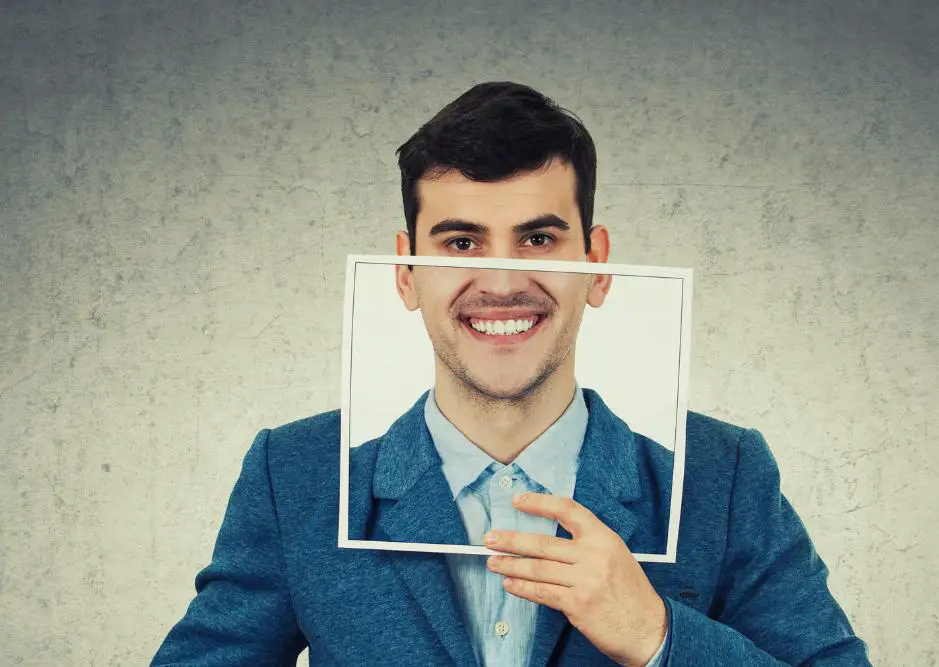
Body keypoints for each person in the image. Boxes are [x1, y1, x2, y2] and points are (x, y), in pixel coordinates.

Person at [151, 82, 872, 666]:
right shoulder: (298, 474)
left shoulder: (723, 473)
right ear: (405, 273)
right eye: (460, 241)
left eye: (538, 238)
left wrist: (659, 635)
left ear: (598, 264)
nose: (501, 278)